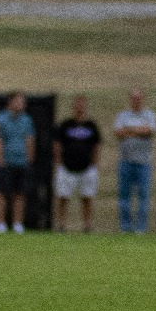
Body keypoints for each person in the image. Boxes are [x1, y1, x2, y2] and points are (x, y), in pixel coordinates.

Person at [52, 96, 102, 232]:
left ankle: (87, 225)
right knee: (63, 196)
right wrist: (59, 161)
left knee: (87, 197)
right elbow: (57, 144)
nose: (79, 107)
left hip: (86, 168)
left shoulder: (91, 126)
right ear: (73, 106)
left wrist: (95, 163)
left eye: (81, 104)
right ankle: (61, 224)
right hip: (67, 167)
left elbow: (97, 145)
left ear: (85, 106)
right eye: (77, 104)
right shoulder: (65, 125)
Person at [0, 92, 35, 234]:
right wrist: (0, 161)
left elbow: (29, 139)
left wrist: (29, 160)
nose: (22, 104)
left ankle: (17, 224)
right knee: (1, 193)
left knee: (20, 194)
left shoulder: (27, 120)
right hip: (5, 162)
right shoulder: (0, 118)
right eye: (19, 101)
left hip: (21, 162)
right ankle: (0, 224)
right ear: (10, 102)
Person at [114, 90, 156, 233]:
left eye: (138, 98)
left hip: (144, 163)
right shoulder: (122, 115)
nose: (136, 100)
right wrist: (138, 131)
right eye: (133, 98)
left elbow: (149, 132)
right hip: (125, 162)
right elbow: (119, 133)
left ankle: (140, 228)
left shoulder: (149, 115)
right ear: (130, 99)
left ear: (142, 99)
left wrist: (129, 130)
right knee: (124, 196)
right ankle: (125, 227)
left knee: (143, 196)